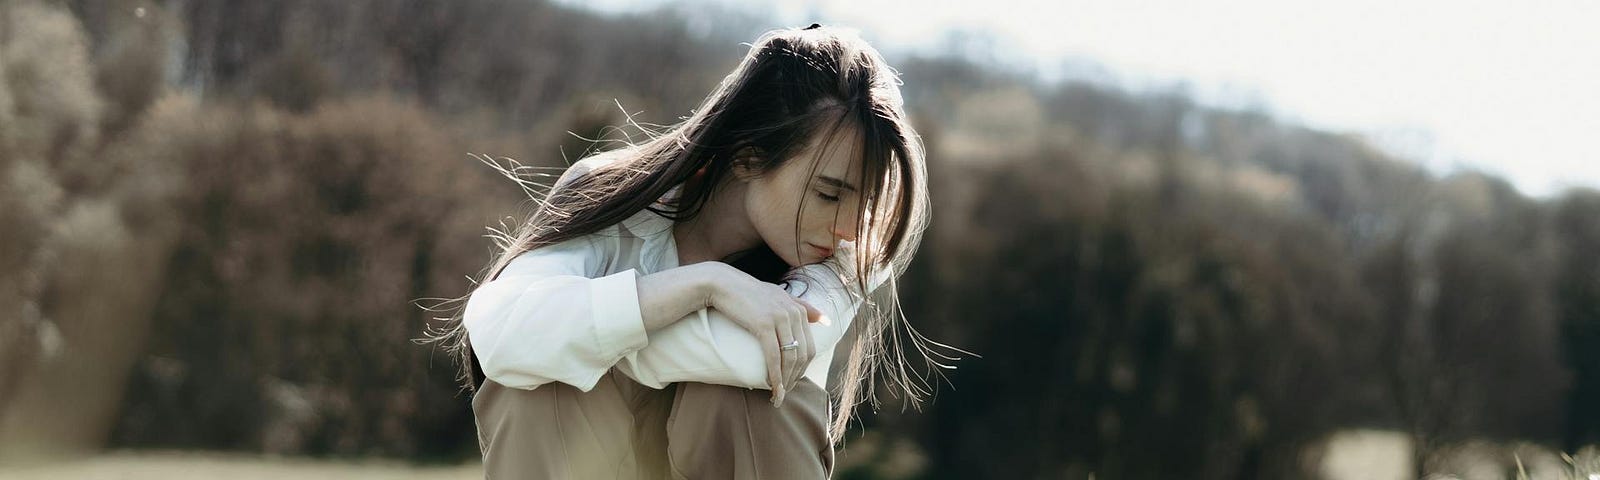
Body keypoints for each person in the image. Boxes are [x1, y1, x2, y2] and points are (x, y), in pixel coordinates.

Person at [425, 24, 936, 479]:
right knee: (535, 386)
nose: (851, 226)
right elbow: (497, 331)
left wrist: (592, 335)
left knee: (744, 394)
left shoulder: (849, 255)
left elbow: (754, 360)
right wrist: (705, 286)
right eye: (829, 193)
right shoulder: (614, 196)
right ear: (747, 156)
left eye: (868, 202)